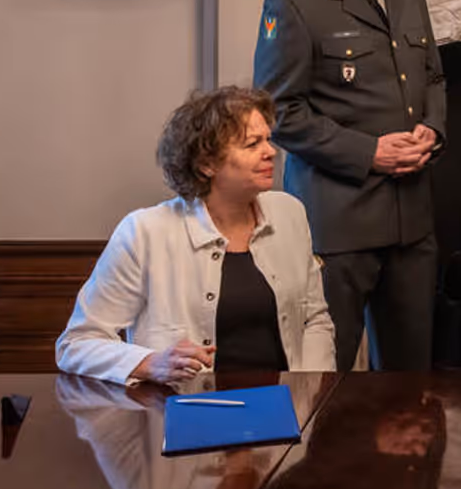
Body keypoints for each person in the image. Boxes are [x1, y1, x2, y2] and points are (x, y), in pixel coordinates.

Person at [253, 0, 445, 371]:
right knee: (327, 379)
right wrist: (369, 152)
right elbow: (280, 112)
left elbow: (434, 77)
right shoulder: (296, 0)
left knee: (410, 377)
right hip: (339, 222)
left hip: (412, 219)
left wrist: (433, 129)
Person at [56, 87, 336, 385]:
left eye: (267, 139)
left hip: (284, 415)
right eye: (252, 144)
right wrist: (150, 363)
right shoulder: (145, 232)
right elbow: (77, 344)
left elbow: (315, 320)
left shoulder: (290, 213)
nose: (271, 151)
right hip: (188, 418)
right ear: (206, 164)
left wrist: (308, 392)